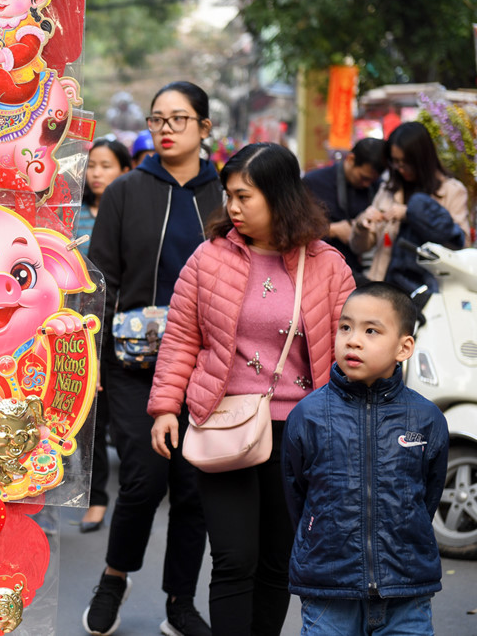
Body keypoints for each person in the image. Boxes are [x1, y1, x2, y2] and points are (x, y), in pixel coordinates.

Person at [148, 142, 355, 636]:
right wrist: (164, 408)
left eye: (245, 196)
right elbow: (181, 337)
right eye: (229, 195)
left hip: (302, 434)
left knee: (277, 561)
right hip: (225, 424)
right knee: (234, 557)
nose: (233, 208)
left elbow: (349, 349)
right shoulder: (208, 259)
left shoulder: (327, 265)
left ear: (280, 196)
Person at [85, 81, 221, 636]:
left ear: (204, 128)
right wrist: (92, 358)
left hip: (209, 366)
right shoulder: (126, 192)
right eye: (158, 119)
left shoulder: (225, 194)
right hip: (133, 363)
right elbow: (100, 280)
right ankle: (114, 577)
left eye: (180, 119)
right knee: (143, 477)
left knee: (194, 486)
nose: (167, 128)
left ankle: (179, 602)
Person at [282, 282, 449, 635]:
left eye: (371, 331)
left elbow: (427, 497)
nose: (352, 340)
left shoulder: (426, 418)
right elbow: (298, 495)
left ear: (404, 347)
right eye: (346, 327)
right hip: (329, 588)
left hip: (406, 590)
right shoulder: (308, 415)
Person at [76, 139, 132, 533]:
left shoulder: (133, 215)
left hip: (125, 328)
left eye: (106, 165)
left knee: (125, 418)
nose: (96, 172)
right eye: (92, 165)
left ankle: (132, 495)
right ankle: (95, 498)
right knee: (89, 417)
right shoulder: (71, 216)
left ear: (124, 171)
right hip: (80, 324)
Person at [350, 122, 470, 294]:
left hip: (432, 292)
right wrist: (362, 224)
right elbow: (360, 246)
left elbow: (460, 245)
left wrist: (412, 214)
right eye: (395, 162)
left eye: (405, 162)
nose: (400, 168)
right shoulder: (389, 189)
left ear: (421, 159)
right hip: (385, 289)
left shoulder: (452, 191)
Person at [302, 138, 386, 282]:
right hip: (319, 271)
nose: (366, 185)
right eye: (363, 178)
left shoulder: (377, 186)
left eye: (371, 181)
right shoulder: (314, 182)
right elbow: (295, 228)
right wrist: (333, 230)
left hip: (361, 270)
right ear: (351, 159)